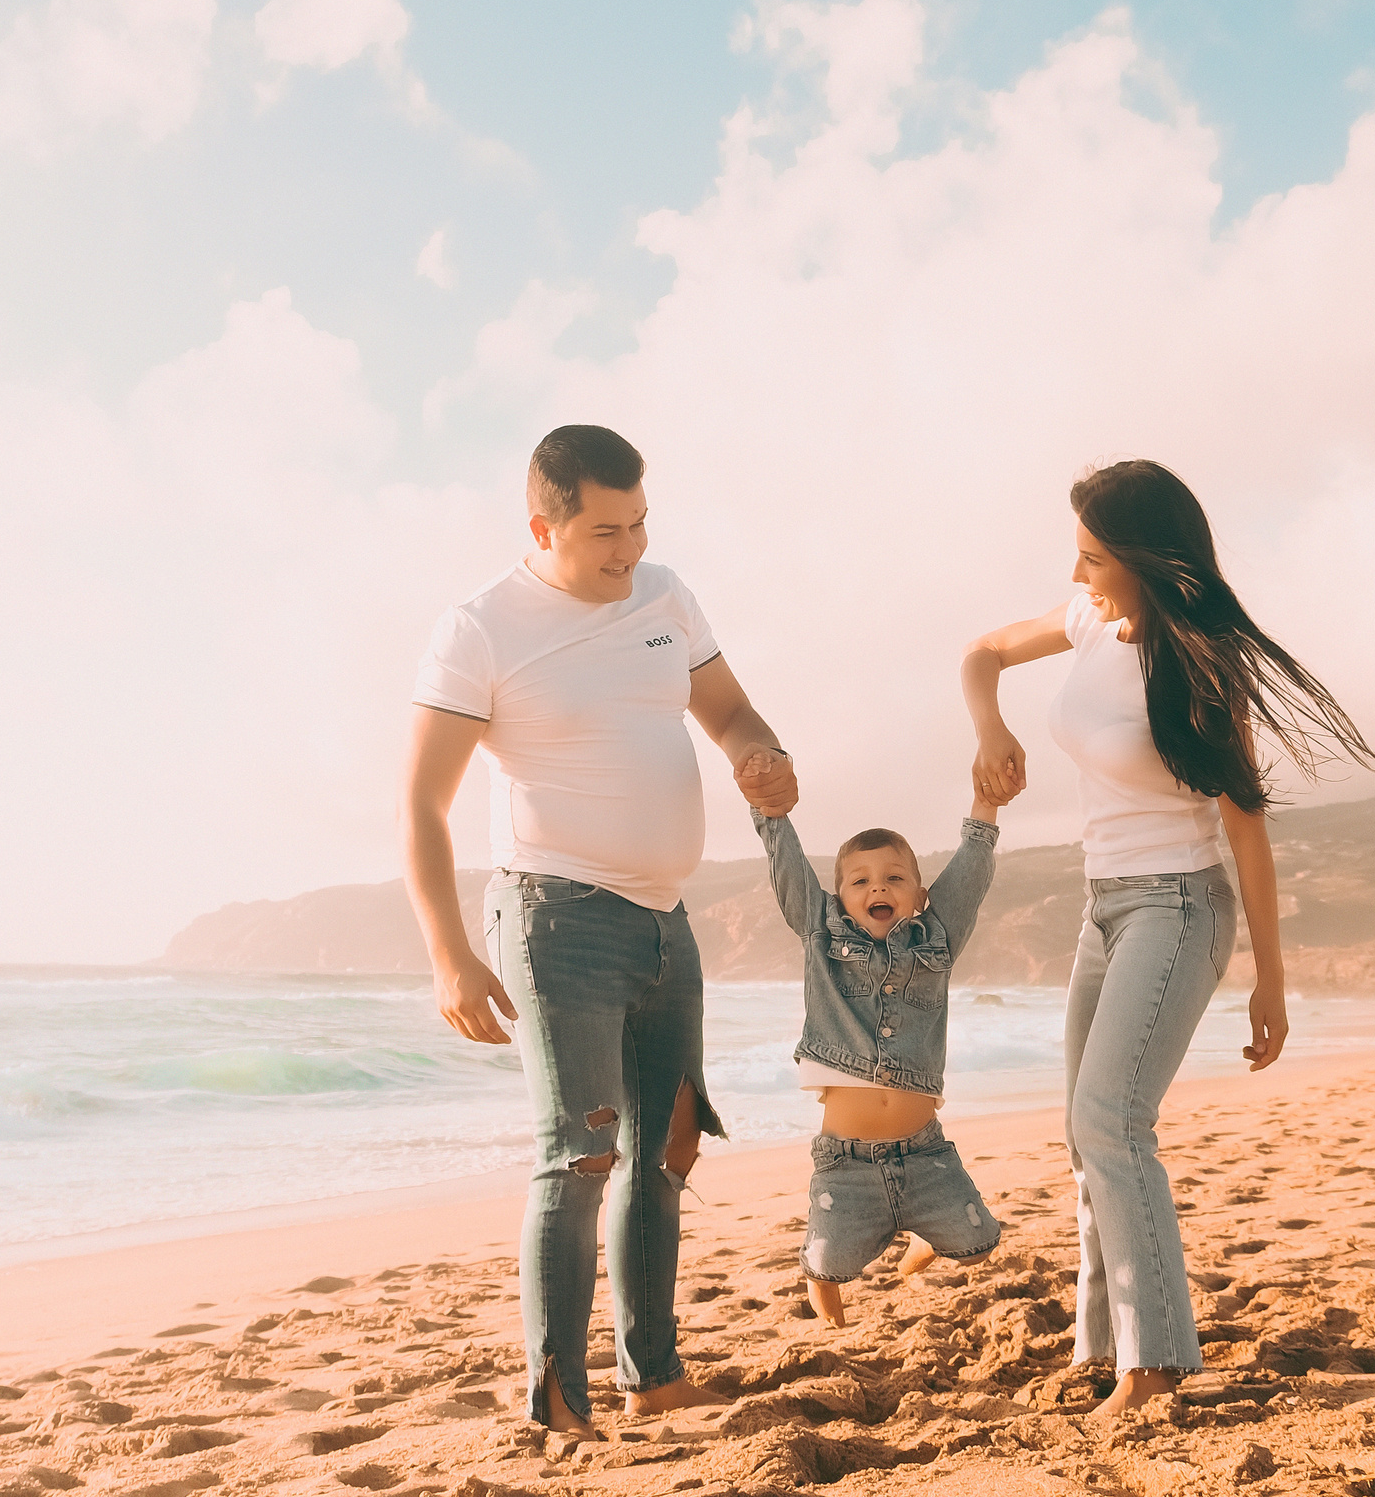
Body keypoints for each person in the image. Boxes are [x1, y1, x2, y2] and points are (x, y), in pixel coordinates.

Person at [400, 424, 798, 1440]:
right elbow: (422, 805)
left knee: (666, 1148)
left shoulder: (665, 596)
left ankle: (651, 1378)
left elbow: (733, 714)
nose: (630, 551)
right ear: (545, 527)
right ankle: (557, 1402)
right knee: (578, 1154)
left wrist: (762, 758)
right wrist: (449, 955)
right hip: (555, 916)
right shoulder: (480, 627)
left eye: (640, 525)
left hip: (665, 918)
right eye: (606, 533)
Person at [961, 459, 1375, 1414]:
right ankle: (1104, 1347)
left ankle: (1155, 1366)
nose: (1077, 575)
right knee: (1085, 1133)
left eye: (1094, 558)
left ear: (1145, 560)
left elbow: (1247, 831)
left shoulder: (1198, 670)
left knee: (1111, 1120)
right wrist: (990, 729)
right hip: (1103, 905)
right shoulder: (1088, 622)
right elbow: (981, 651)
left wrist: (1271, 979)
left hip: (1180, 906)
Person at [749, 784, 1006, 1326]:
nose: (878, 887)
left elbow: (970, 876)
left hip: (926, 1153)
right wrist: (769, 810)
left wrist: (985, 807)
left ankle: (924, 1234)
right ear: (838, 897)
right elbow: (790, 870)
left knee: (979, 1245)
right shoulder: (821, 935)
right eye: (860, 881)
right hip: (846, 1163)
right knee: (828, 1269)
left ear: (920, 895)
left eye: (894, 878)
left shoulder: (936, 938)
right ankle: (821, 1283)